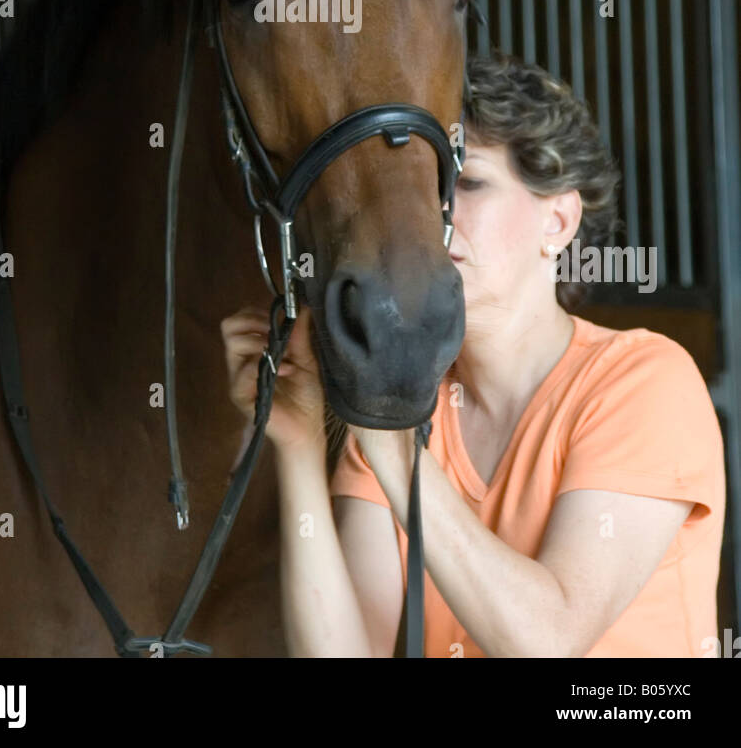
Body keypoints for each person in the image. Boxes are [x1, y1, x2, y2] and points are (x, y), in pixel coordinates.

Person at [221, 53, 725, 657]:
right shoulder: (408, 407)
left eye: (469, 183)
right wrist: (299, 444)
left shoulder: (646, 382)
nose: (431, 214)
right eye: (430, 187)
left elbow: (546, 643)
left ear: (559, 221)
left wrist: (390, 439)